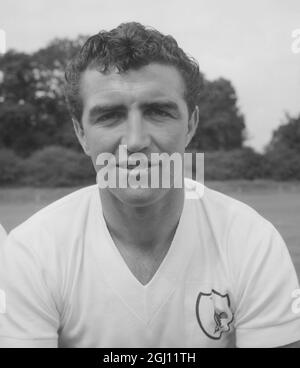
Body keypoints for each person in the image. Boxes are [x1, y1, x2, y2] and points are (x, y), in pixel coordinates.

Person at [0, 22, 299, 348]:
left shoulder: (253, 243)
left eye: (158, 112)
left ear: (191, 125)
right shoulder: (32, 252)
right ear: (81, 133)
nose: (136, 140)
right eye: (110, 115)